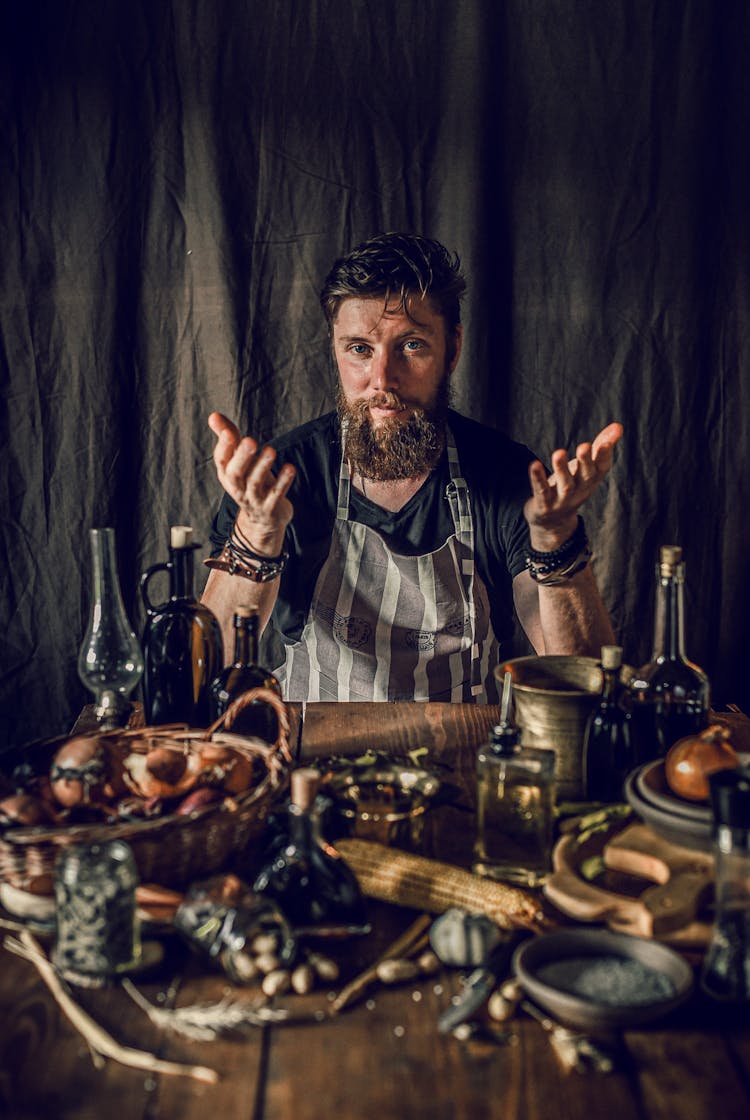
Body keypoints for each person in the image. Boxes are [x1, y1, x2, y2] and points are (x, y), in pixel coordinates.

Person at [202, 232, 622, 703]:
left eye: (412, 345)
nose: (383, 378)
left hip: (465, 763)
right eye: (359, 348)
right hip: (314, 760)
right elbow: (205, 669)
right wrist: (256, 536)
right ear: (334, 349)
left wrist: (556, 539)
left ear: (452, 349)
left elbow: (582, 683)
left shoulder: (509, 478)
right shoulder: (281, 478)